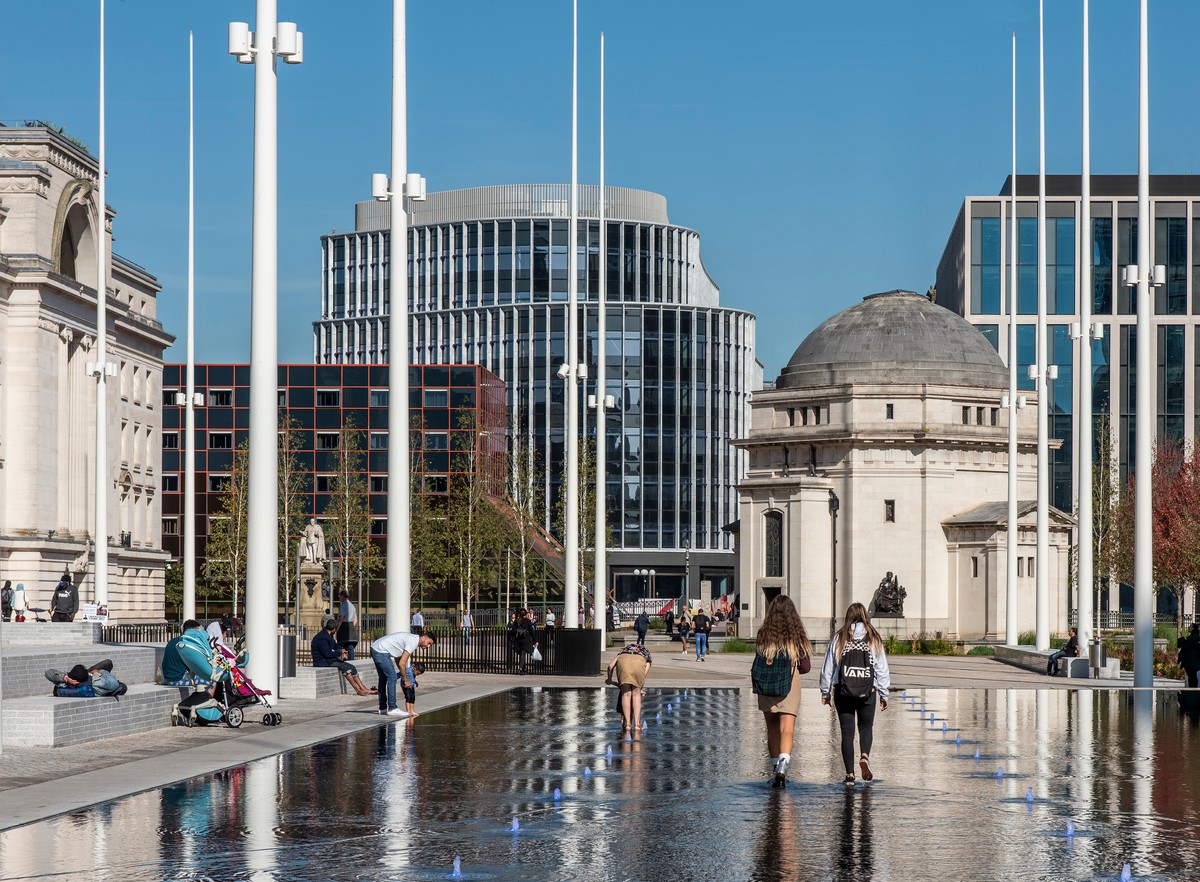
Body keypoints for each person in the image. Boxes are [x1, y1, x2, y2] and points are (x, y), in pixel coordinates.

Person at [820, 602, 891, 788]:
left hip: (843, 690)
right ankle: (865, 757)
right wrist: (884, 693)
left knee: (847, 733)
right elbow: (881, 668)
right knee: (866, 726)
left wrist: (825, 691)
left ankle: (850, 775)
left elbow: (829, 667)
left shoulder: (840, 637)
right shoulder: (873, 637)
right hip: (868, 690)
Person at [752, 596, 813, 787]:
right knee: (787, 728)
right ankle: (782, 767)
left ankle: (773, 767)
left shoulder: (763, 634)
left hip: (766, 686)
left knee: (771, 728)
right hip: (789, 684)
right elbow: (805, 667)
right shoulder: (796, 636)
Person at [371, 630, 435, 716]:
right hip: (381, 651)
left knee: (383, 678)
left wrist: (402, 672)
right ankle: (392, 708)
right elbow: (402, 664)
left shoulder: (412, 639)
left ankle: (382, 708)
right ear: (423, 638)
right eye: (429, 643)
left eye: (430, 645)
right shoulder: (413, 642)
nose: (428, 646)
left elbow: (399, 659)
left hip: (375, 648)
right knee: (392, 677)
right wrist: (406, 680)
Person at [312, 617, 375, 696]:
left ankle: (363, 688)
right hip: (321, 661)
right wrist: (339, 652)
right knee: (347, 667)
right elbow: (327, 654)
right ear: (334, 628)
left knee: (350, 667)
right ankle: (358, 690)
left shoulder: (328, 634)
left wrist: (342, 651)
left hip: (328, 660)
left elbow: (335, 645)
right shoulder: (322, 638)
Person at [606, 643, 652, 732]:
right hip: (639, 663)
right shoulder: (646, 655)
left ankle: (627, 724)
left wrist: (609, 679)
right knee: (636, 695)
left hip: (623, 662)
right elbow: (644, 674)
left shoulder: (622, 653)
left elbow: (610, 666)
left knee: (626, 695)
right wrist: (639, 688)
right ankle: (637, 725)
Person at [162, 620, 209, 687]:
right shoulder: (188, 644)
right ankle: (207, 697)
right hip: (178, 680)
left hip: (168, 678)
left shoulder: (173, 641)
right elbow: (196, 666)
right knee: (211, 681)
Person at [46, 659, 120, 696]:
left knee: (107, 662)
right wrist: (101, 672)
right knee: (108, 663)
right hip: (92, 676)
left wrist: (65, 678)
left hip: (82, 676)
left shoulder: (66, 681)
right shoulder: (96, 683)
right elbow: (114, 684)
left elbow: (48, 672)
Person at [335, 590, 359, 660]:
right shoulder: (352, 606)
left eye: (339, 596)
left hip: (344, 627)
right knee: (350, 648)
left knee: (340, 646)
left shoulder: (344, 605)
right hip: (351, 626)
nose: (339, 598)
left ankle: (340, 661)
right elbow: (355, 620)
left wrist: (337, 629)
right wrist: (351, 626)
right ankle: (352, 663)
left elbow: (341, 619)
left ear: (343, 596)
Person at [512, 609, 537, 675]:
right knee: (523, 654)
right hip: (526, 640)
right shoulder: (528, 621)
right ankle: (520, 669)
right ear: (526, 614)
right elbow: (531, 631)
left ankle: (524, 669)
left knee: (521, 655)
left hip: (518, 640)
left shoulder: (516, 621)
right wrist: (535, 640)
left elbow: (513, 631)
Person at [1179, 622, 1200, 688]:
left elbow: (1186, 645)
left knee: (1192, 677)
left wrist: (1182, 639)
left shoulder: (1194, 637)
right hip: (1190, 661)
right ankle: (1192, 691)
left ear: (1193, 628)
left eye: (1190, 626)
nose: (1188, 627)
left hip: (1191, 661)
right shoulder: (1193, 636)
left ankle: (1193, 692)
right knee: (1191, 677)